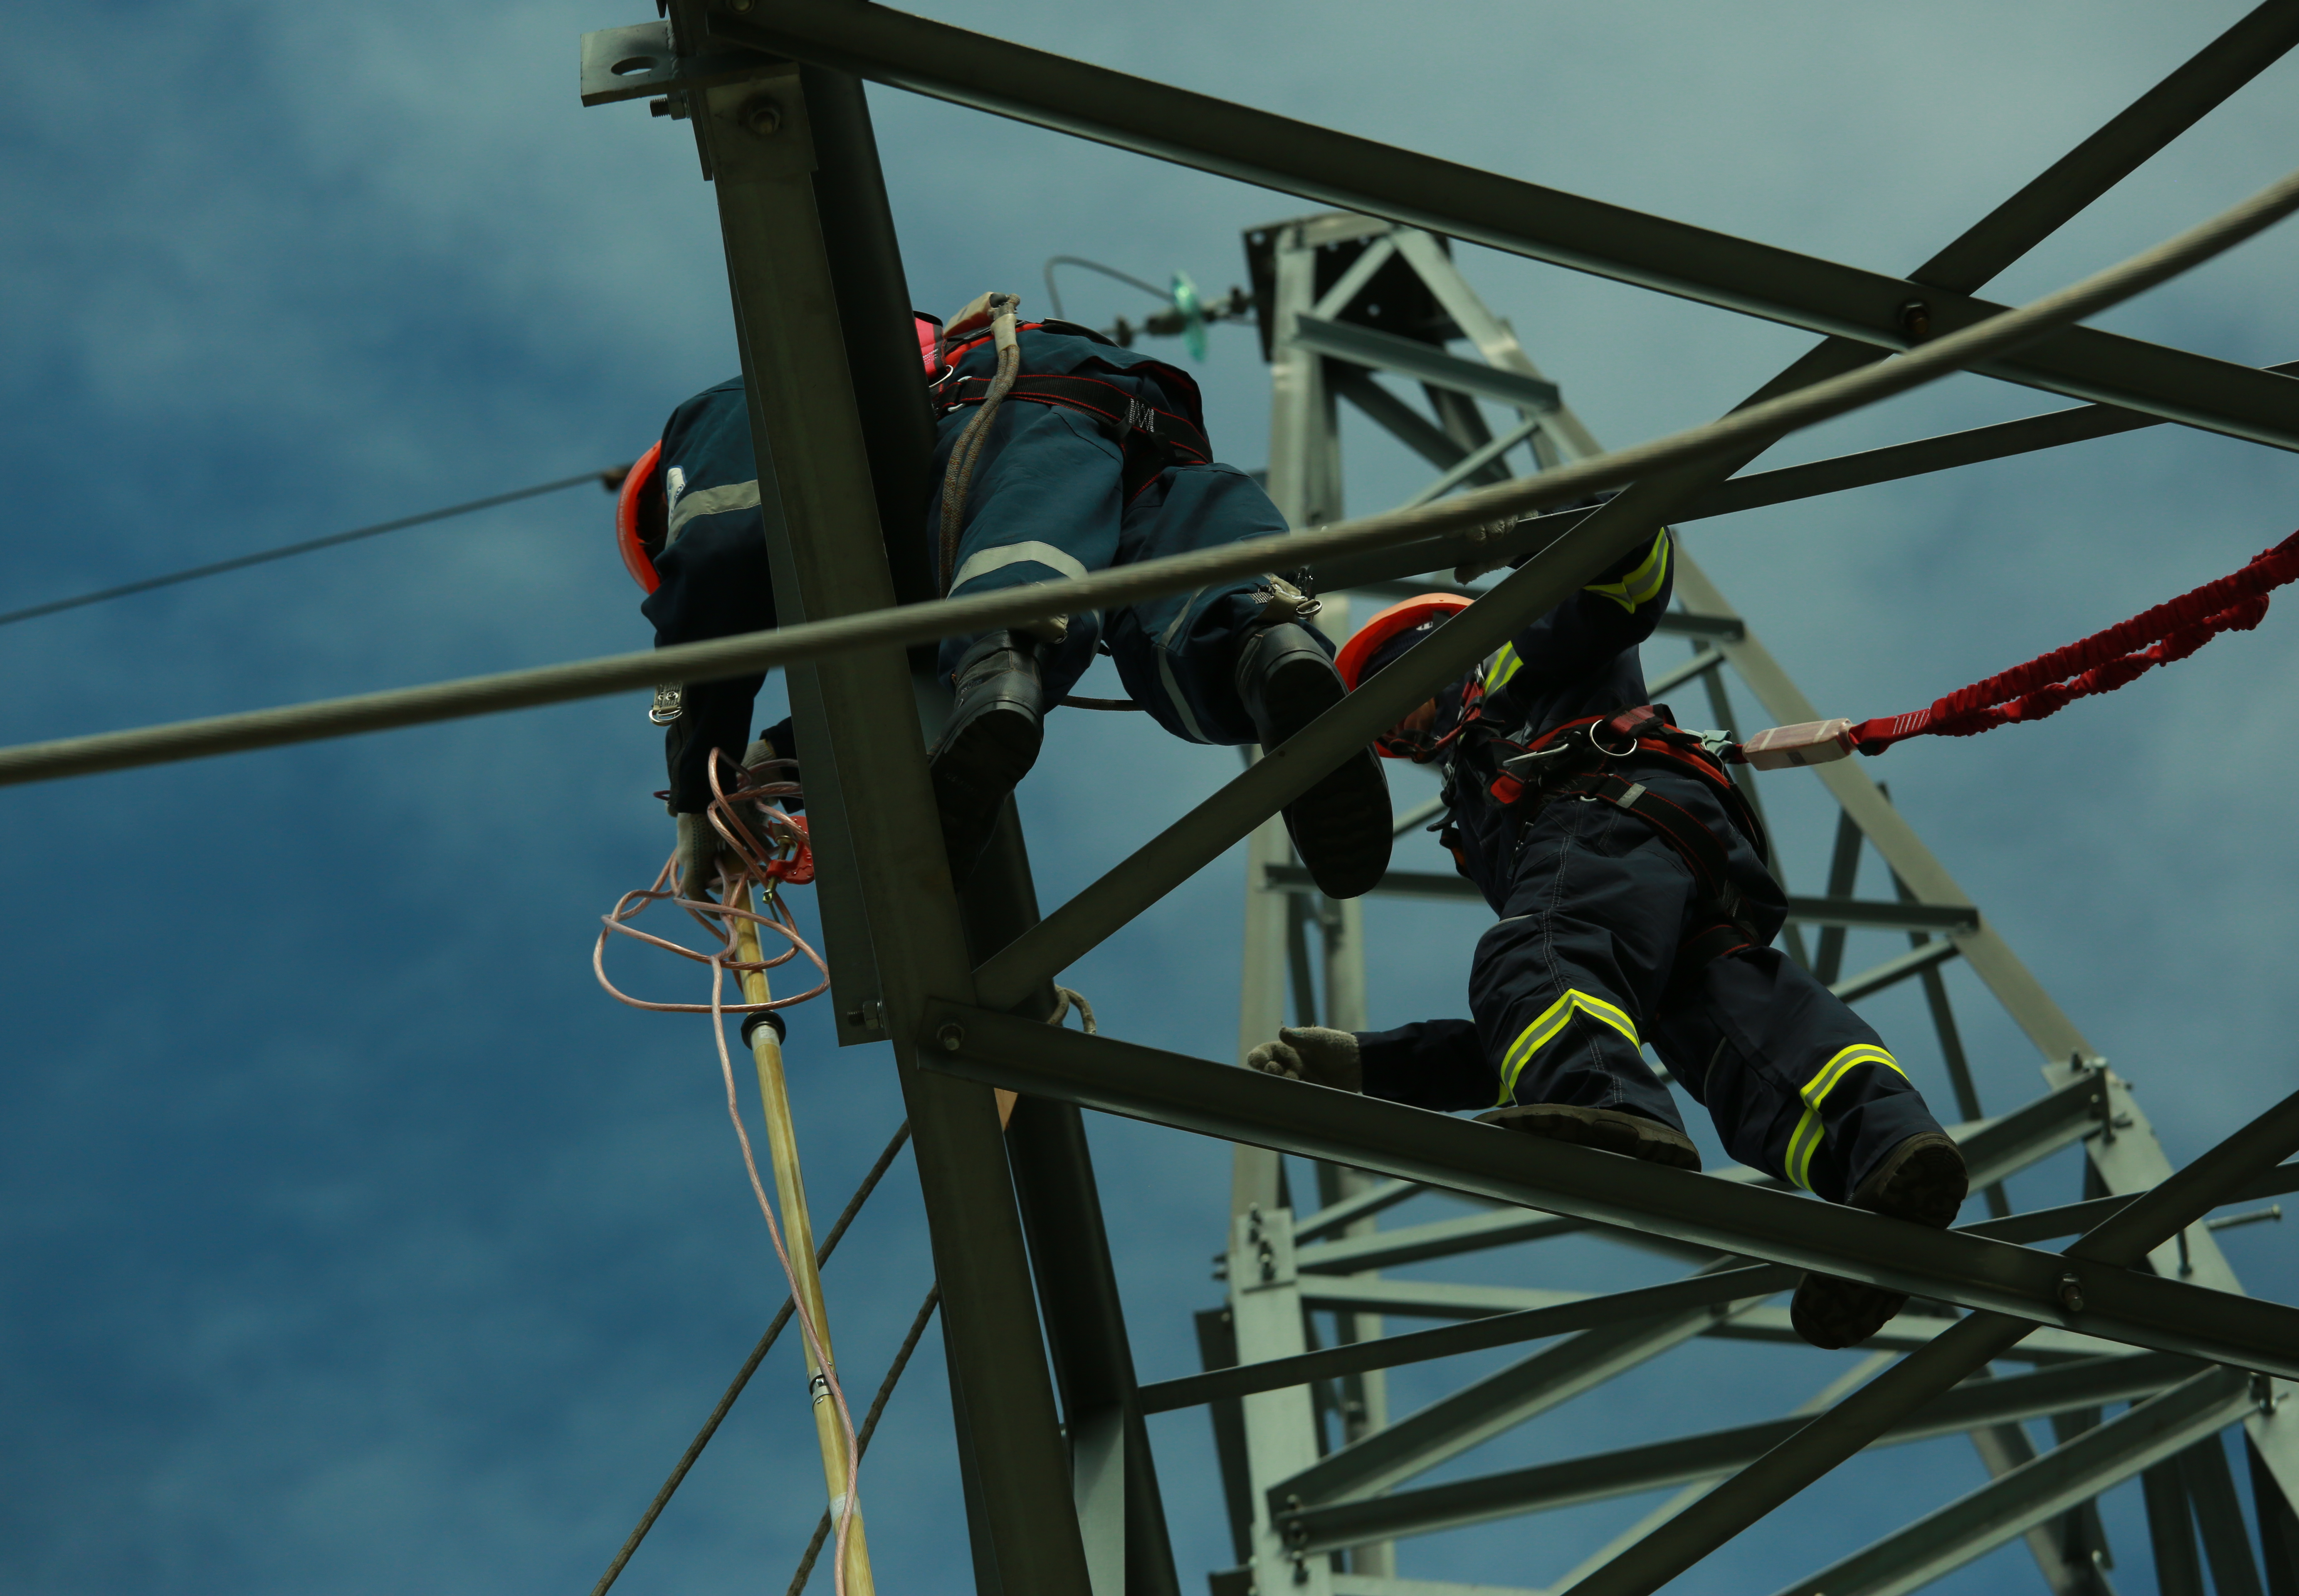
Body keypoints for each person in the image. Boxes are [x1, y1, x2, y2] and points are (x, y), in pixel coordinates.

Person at [1244, 532, 1966, 1350]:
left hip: (1611, 812)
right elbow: (1557, 1013)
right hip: (1678, 867)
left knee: (1536, 947)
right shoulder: (1480, 811)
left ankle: (1607, 1108)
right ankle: (1885, 1160)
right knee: (1746, 1037)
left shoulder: (1515, 657)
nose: (1402, 735)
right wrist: (1378, 1065)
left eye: (1389, 692)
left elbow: (1628, 575)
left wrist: (1575, 528)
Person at [615, 294, 1392, 899]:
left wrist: (698, 786)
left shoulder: (715, 420)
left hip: (1013, 401)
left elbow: (714, 567)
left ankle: (999, 666)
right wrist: (776, 760)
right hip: (1147, 422)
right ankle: (1271, 654)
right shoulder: (880, 542)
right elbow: (890, 678)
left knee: (1010, 583)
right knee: (1199, 610)